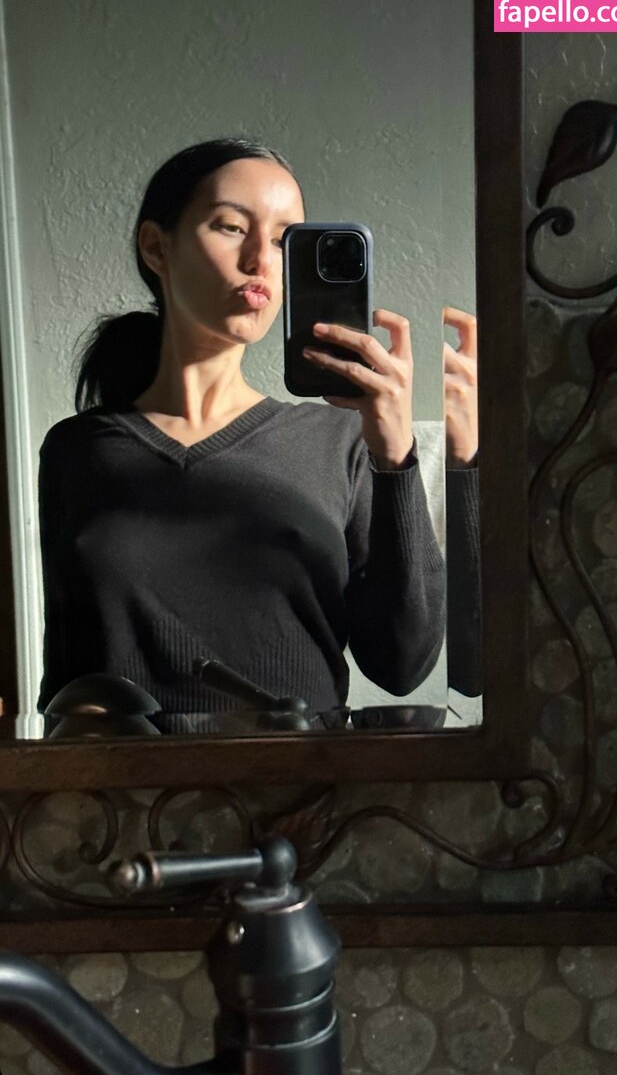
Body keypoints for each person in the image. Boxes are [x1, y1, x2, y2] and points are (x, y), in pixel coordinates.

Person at [37, 138, 480, 731]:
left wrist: (395, 457)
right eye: (231, 227)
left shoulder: (339, 442)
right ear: (156, 247)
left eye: (282, 240)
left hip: (303, 780)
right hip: (128, 783)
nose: (260, 260)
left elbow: (402, 664)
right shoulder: (78, 451)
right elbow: (67, 683)